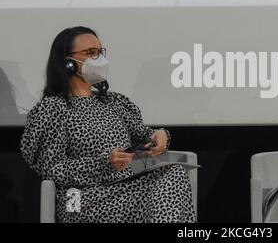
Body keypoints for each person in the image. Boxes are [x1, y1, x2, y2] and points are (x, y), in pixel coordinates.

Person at [20, 26, 196, 222]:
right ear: (68, 62)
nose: (99, 59)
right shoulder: (53, 109)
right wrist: (104, 163)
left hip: (126, 189)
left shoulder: (115, 102)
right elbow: (51, 169)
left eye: (100, 52)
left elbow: (145, 137)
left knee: (174, 174)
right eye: (91, 53)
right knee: (172, 180)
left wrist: (160, 136)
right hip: (79, 201)